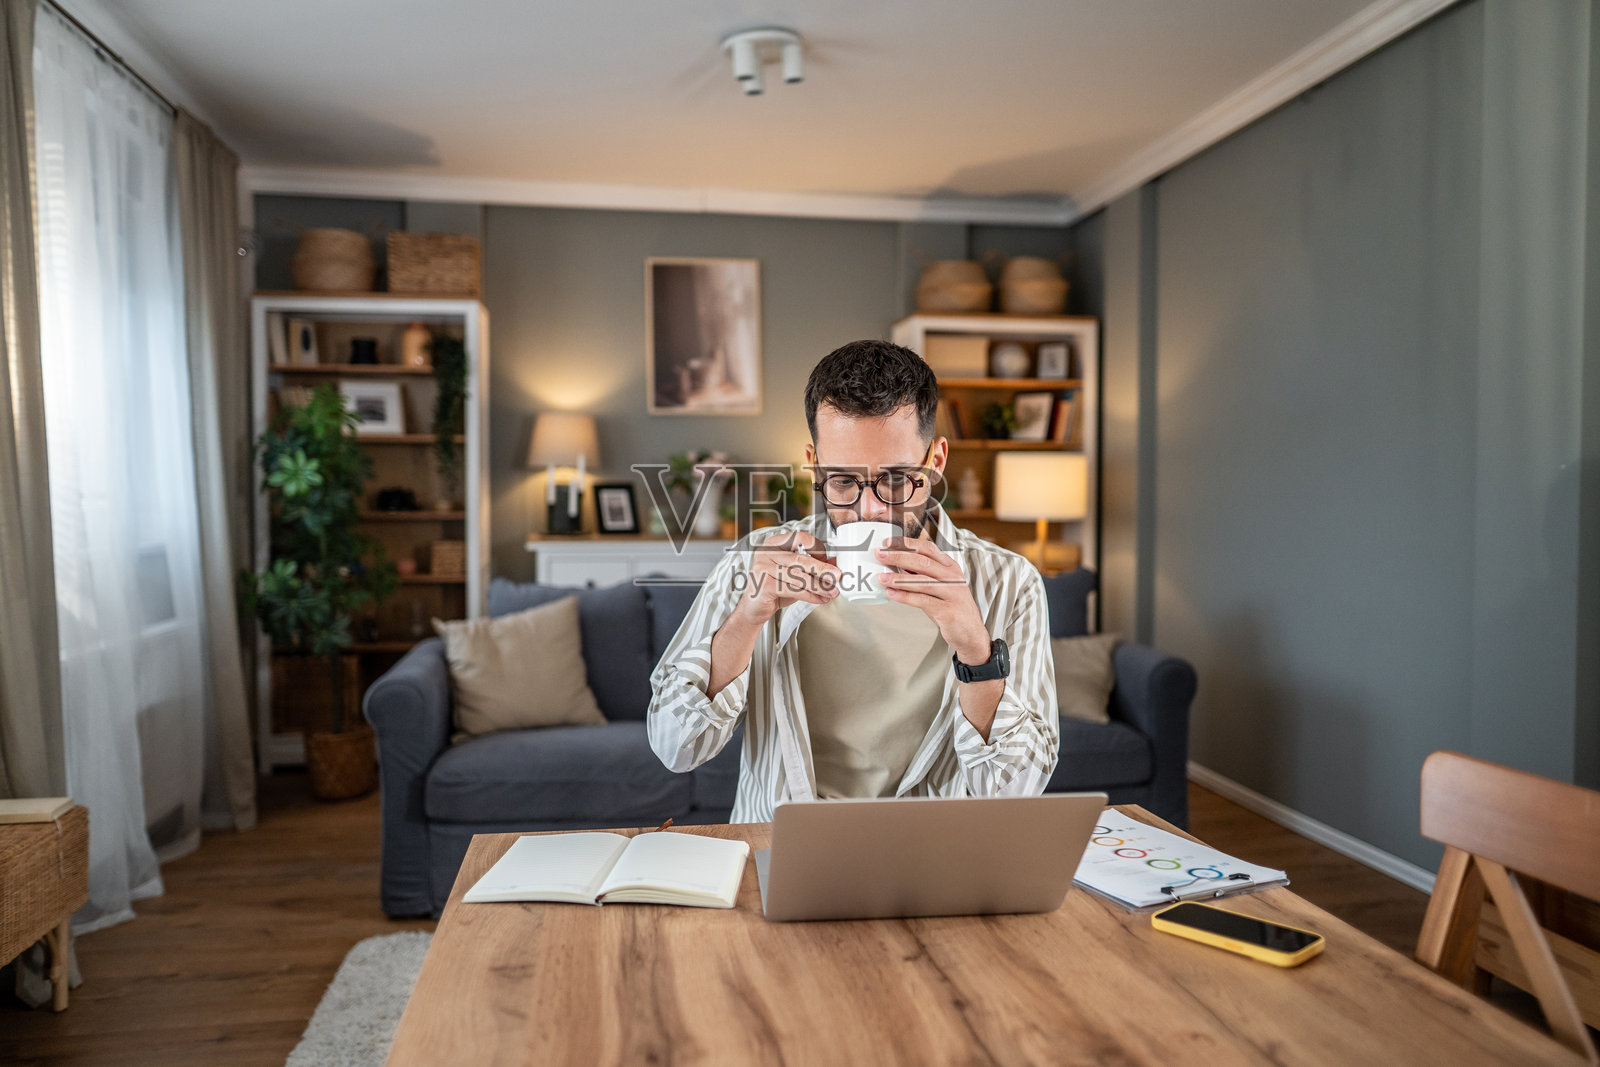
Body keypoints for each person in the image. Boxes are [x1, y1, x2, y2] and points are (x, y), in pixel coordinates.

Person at [646, 339, 1058, 822]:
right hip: (786, 845)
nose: (870, 509)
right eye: (843, 482)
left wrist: (976, 650)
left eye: (898, 479)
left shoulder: (1010, 582)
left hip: (935, 855)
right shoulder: (754, 564)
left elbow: (1015, 792)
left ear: (936, 461)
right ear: (814, 464)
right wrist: (746, 618)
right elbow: (676, 748)